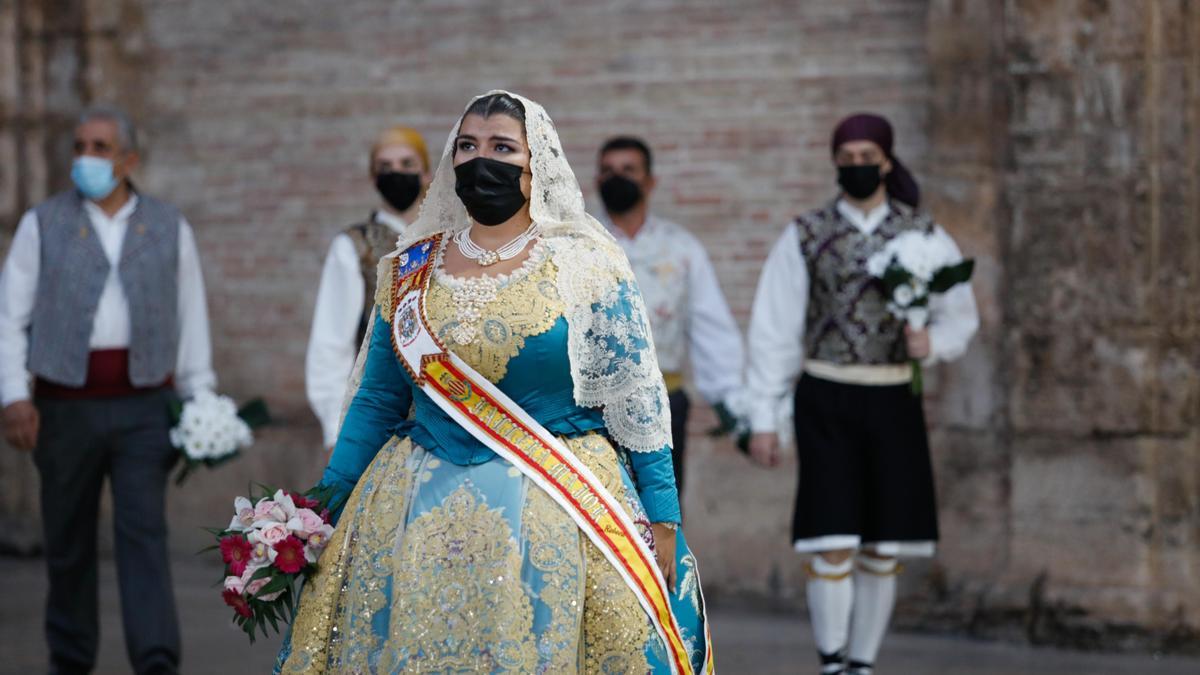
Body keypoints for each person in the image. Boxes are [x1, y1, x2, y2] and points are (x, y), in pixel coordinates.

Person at [275, 92, 712, 674]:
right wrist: (321, 511)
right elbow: (378, 399)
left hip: (556, 506)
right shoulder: (411, 269)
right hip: (412, 510)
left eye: (503, 148)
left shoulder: (586, 264)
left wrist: (662, 515)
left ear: (538, 168)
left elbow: (636, 398)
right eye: (467, 147)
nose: (483, 162)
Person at [744, 113, 978, 675]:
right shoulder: (807, 231)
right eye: (845, 158)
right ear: (835, 163)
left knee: (883, 544)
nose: (856, 167)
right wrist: (764, 417)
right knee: (832, 537)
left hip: (894, 399)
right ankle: (832, 664)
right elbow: (773, 329)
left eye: (866, 156)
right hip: (827, 396)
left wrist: (933, 342)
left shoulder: (922, 234)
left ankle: (863, 665)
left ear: (887, 161)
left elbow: (961, 315)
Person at [0, 105, 216, 675]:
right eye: (79, 147)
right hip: (62, 407)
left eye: (98, 147)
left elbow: (190, 315)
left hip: (145, 405)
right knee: (68, 542)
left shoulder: (170, 225)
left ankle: (156, 660)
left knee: (143, 534)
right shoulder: (41, 222)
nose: (85, 159)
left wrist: (200, 399)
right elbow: (8, 314)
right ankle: (69, 660)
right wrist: (12, 394)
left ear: (129, 160)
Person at [595, 135, 743, 500]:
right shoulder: (579, 244)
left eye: (628, 170)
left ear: (650, 181)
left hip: (664, 400)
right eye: (608, 171)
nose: (617, 178)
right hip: (589, 408)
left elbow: (711, 327)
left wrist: (734, 401)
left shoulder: (681, 247)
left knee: (661, 511)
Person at [305, 126, 433, 450]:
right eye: (385, 167)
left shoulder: (447, 241)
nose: (397, 174)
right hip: (375, 409)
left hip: (439, 408)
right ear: (374, 178)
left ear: (427, 173)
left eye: (407, 164)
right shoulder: (354, 245)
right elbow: (331, 342)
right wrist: (336, 429)